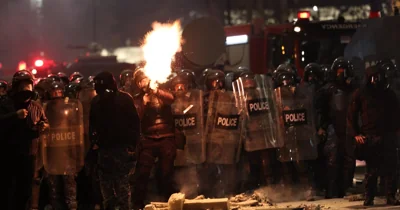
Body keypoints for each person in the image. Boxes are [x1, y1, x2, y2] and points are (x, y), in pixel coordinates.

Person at [347, 65, 400, 206]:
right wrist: (356, 134)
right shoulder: (361, 93)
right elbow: (351, 115)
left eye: (377, 76)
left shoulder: (388, 94)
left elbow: (396, 114)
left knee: (391, 169)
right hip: (371, 136)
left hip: (388, 135)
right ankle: (369, 197)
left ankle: (390, 196)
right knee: (372, 170)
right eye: (372, 77)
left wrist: (396, 132)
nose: (375, 79)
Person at [90, 71, 140, 210]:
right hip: (105, 149)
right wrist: (94, 142)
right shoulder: (96, 101)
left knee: (122, 187)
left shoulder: (124, 99)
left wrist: (132, 145)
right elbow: (92, 124)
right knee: (107, 190)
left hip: (121, 149)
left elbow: (134, 124)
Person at [1, 70, 49, 210]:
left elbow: (44, 122)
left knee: (25, 193)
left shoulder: (35, 106)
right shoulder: (5, 104)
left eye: (28, 87)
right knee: (7, 192)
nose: (25, 91)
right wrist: (14, 116)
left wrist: (44, 126)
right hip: (7, 156)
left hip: (29, 156)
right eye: (22, 87)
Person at [131, 68, 176, 209]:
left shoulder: (161, 92)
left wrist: (156, 91)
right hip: (148, 140)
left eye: (144, 79)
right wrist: (143, 103)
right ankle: (138, 204)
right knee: (142, 173)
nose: (143, 83)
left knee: (166, 171)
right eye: (140, 81)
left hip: (166, 137)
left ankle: (169, 202)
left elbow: (171, 99)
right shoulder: (138, 98)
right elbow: (136, 117)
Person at [316, 57, 357, 198]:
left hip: (349, 127)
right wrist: (321, 126)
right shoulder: (327, 89)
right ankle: (331, 190)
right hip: (333, 127)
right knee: (332, 160)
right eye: (339, 71)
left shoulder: (354, 88)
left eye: (343, 71)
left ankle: (345, 188)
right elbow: (320, 109)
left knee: (349, 159)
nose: (341, 74)